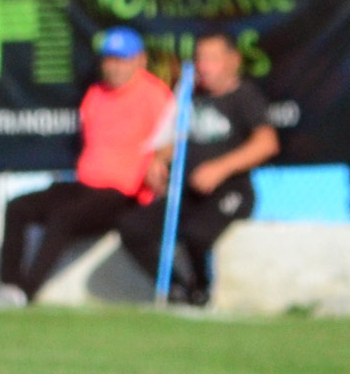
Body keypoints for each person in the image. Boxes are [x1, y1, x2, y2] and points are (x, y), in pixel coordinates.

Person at [0, 27, 174, 305]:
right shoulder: (96, 93)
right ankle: (7, 285)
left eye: (122, 59)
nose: (114, 66)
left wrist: (159, 162)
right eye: (109, 59)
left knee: (64, 216)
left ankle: (24, 292)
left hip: (124, 194)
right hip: (86, 185)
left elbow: (170, 141)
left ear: (140, 60)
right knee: (19, 207)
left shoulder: (155, 95)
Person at [114, 33, 276, 306]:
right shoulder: (189, 97)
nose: (203, 66)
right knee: (133, 227)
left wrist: (220, 169)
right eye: (200, 59)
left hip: (230, 191)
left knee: (197, 234)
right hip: (188, 192)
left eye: (212, 59)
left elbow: (266, 143)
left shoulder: (244, 96)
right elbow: (170, 139)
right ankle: (177, 290)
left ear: (233, 60)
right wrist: (159, 161)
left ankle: (201, 289)